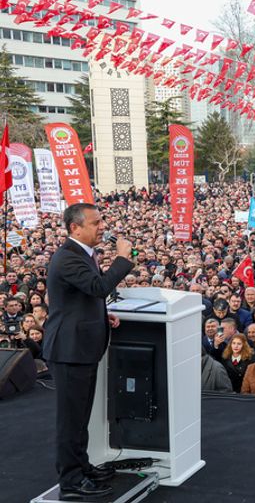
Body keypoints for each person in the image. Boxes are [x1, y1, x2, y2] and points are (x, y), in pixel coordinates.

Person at [43, 203, 134, 499]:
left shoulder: (83, 254)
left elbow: (78, 298)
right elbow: (98, 287)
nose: (103, 227)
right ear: (75, 228)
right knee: (70, 420)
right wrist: (122, 257)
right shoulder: (68, 257)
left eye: (102, 221)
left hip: (81, 345)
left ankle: (82, 467)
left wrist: (99, 316)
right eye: (96, 223)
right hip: (69, 350)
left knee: (80, 416)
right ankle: (70, 482)